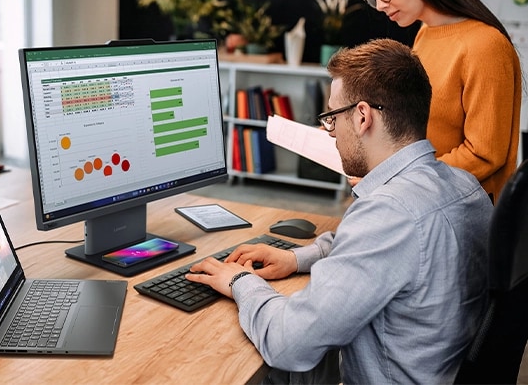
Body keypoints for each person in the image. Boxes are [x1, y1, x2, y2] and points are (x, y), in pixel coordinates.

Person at [186, 39, 494, 384]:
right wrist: (298, 258)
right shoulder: (465, 186)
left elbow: (289, 344)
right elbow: (389, 250)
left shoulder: (389, 213)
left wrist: (240, 281)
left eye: (332, 117)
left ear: (363, 116)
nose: (329, 132)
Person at [356, 0, 522, 203]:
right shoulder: (425, 34)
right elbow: (425, 131)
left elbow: (484, 155)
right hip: (424, 201)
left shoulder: (485, 45)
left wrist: (399, 180)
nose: (381, 4)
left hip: (462, 215)